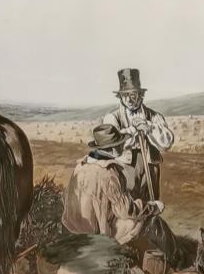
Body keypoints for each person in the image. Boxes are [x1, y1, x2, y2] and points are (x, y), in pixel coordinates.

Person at [63, 124, 162, 246]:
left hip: (73, 226)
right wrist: (152, 207)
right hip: (95, 233)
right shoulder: (108, 172)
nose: (123, 146)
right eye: (120, 143)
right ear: (112, 148)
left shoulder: (80, 166)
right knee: (136, 220)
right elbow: (125, 210)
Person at [99, 67, 175, 201]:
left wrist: (149, 127)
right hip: (125, 166)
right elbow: (111, 144)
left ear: (141, 95)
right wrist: (132, 130)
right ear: (120, 96)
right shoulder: (112, 117)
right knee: (129, 206)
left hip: (150, 167)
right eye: (125, 95)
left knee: (152, 204)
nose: (128, 99)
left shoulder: (154, 116)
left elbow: (167, 142)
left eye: (132, 94)